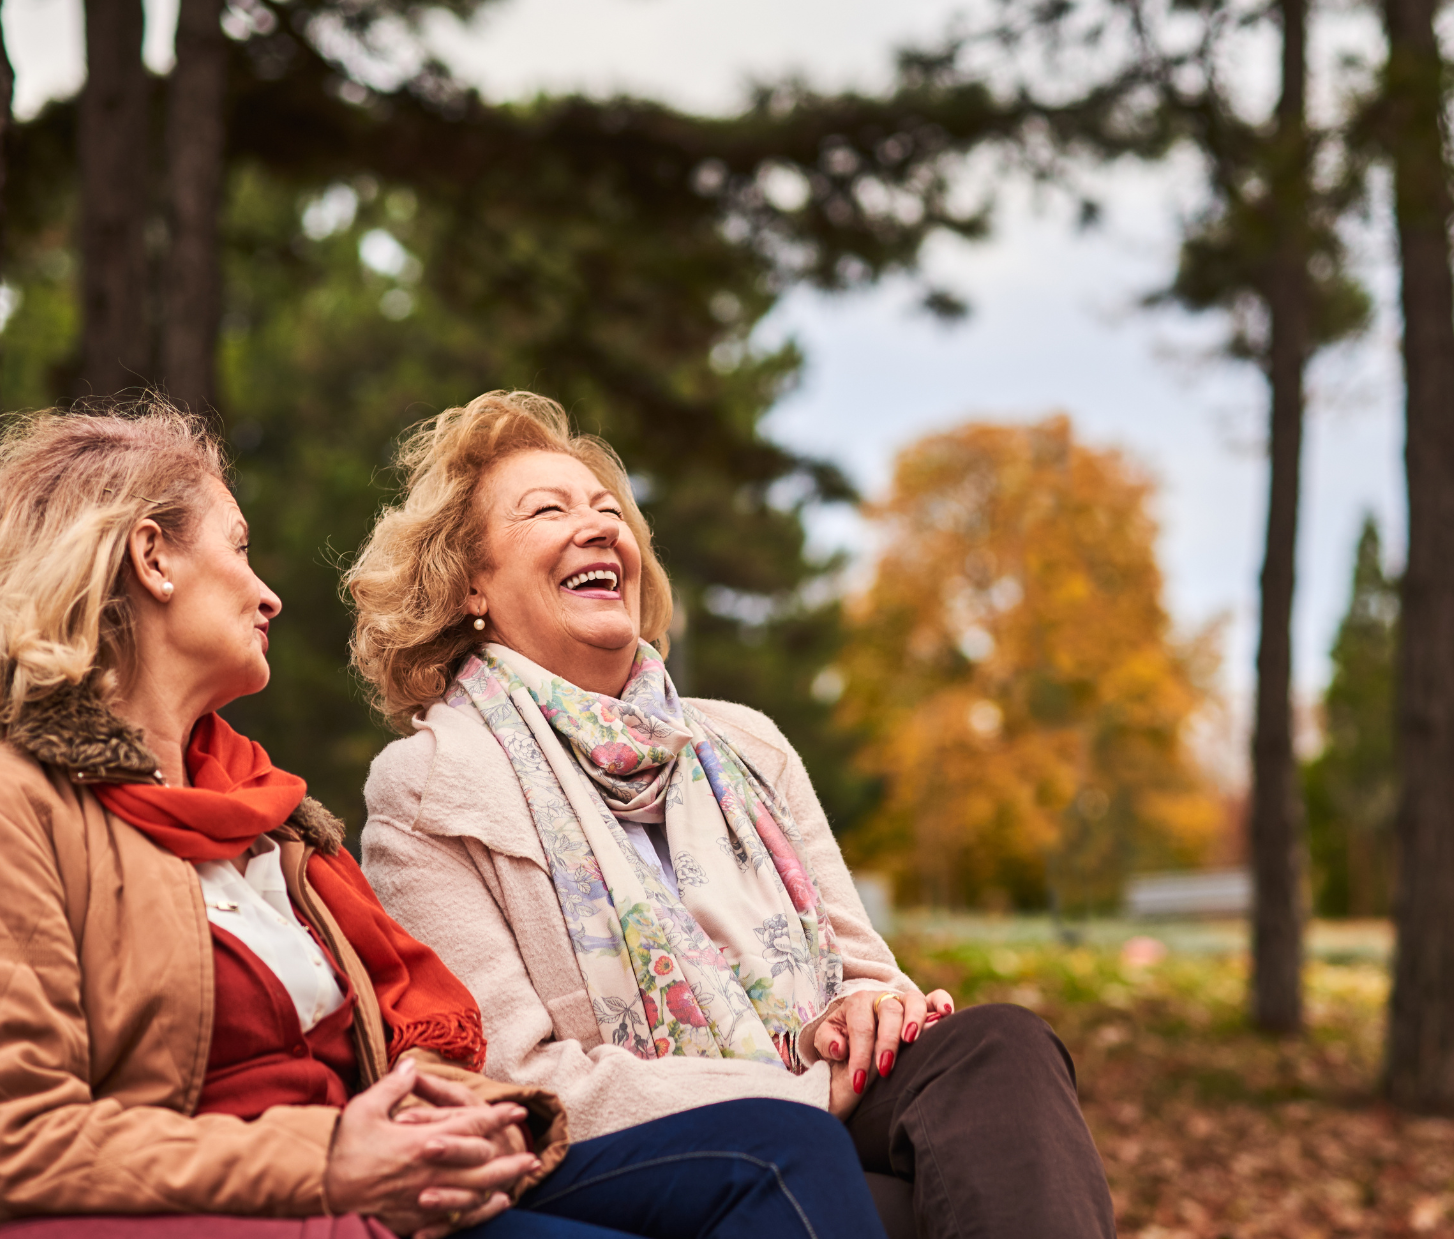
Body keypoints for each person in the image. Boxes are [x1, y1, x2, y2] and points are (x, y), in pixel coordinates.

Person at [0, 405, 884, 1239]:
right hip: (255, 1206)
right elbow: (13, 1136)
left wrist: (471, 1128)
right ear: (151, 557)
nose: (269, 591)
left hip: (379, 1200)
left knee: (798, 1137)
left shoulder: (276, 828)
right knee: (775, 1149)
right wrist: (334, 1153)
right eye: (240, 546)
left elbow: (415, 1047)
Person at [348, 391, 1117, 1239]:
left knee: (998, 1044)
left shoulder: (746, 742)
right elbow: (515, 1078)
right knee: (851, 1181)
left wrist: (867, 1009)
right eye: (549, 511)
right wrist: (797, 1091)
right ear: (470, 586)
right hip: (652, 1144)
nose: (602, 528)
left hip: (824, 1086)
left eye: (610, 511)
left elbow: (867, 969)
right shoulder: (429, 789)